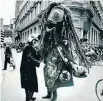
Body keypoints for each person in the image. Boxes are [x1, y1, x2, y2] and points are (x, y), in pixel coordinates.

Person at [39, 2, 90, 101]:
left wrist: (72, 64)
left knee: (53, 76)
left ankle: (54, 96)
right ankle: (49, 93)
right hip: (48, 57)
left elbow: (65, 49)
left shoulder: (62, 35)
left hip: (56, 58)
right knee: (47, 75)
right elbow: (45, 38)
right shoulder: (48, 31)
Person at [20, 34, 41, 101]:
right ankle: (28, 98)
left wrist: (39, 52)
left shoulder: (31, 47)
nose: (36, 42)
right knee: (28, 84)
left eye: (36, 41)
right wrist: (38, 63)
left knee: (32, 83)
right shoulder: (28, 47)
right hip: (26, 69)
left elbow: (36, 57)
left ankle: (30, 97)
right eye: (35, 41)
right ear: (31, 40)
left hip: (30, 68)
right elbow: (30, 58)